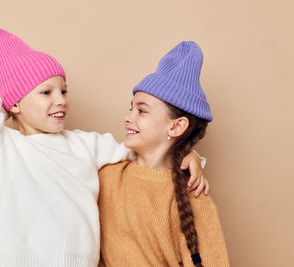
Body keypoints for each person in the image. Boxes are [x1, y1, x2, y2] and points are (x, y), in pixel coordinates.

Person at [0, 28, 207, 267]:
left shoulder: (85, 144)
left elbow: (148, 150)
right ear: (16, 104)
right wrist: (7, 105)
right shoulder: (3, 147)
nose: (61, 100)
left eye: (64, 91)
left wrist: (187, 154)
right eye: (46, 92)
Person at [98, 41, 229, 266]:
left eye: (142, 110)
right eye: (131, 108)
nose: (128, 117)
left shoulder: (192, 192)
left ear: (176, 127)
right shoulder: (107, 176)